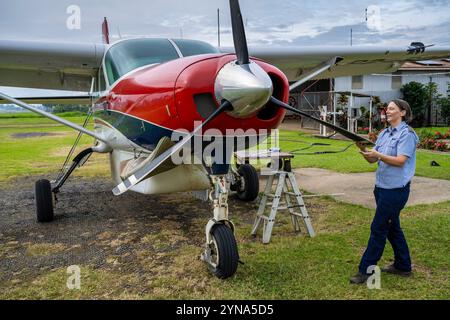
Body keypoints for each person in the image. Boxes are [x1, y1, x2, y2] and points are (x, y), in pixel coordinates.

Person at [350, 99, 419, 284]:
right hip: (381, 188)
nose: (387, 111)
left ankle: (366, 270)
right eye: (387, 108)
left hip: (395, 191)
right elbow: (374, 161)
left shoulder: (407, 135)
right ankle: (403, 266)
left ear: (402, 112)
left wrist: (378, 154)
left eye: (391, 108)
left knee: (379, 228)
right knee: (392, 228)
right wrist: (364, 149)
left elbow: (400, 161)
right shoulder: (384, 134)